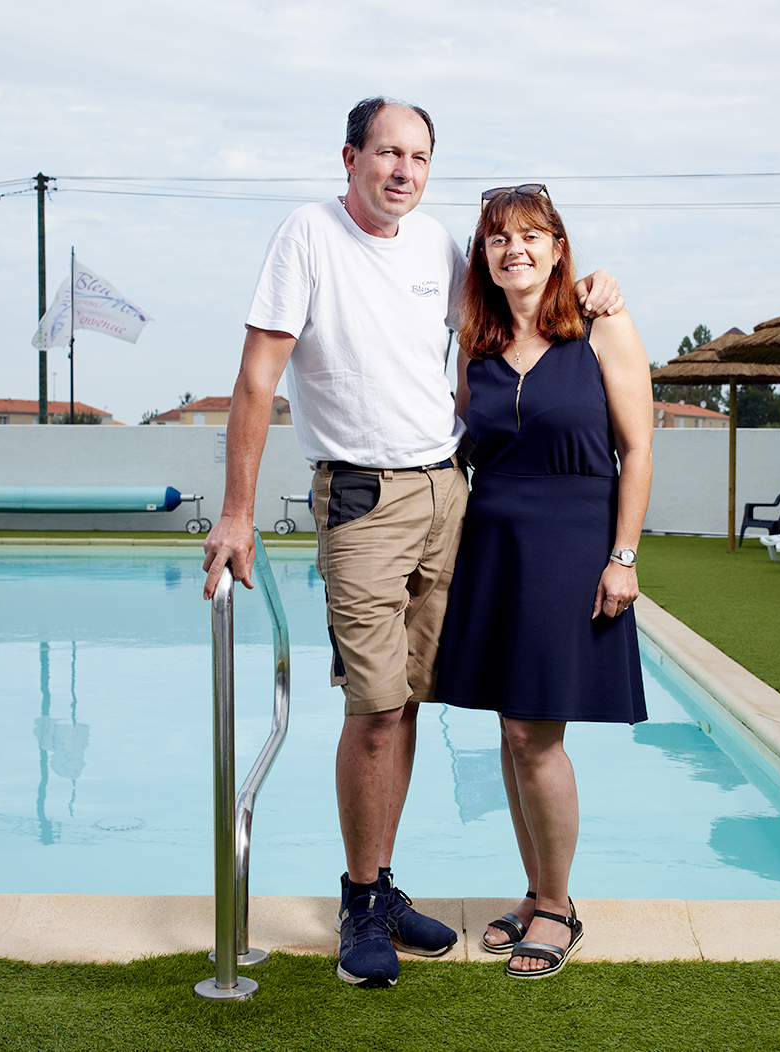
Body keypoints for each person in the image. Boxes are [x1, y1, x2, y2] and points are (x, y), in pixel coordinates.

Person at [200, 98, 622, 988]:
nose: (403, 169)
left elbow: (523, 297)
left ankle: (385, 886)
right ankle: (360, 900)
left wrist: (595, 288)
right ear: (349, 156)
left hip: (450, 493)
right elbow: (255, 379)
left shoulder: (440, 247)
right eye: (387, 152)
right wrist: (237, 511)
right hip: (360, 499)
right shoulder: (306, 237)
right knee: (376, 706)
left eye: (420, 156)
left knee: (415, 701)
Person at [434, 185, 653, 979]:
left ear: (559, 248)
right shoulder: (476, 344)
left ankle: (560, 907)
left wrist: (622, 558)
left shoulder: (602, 324)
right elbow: (461, 444)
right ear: (482, 257)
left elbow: (638, 448)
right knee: (509, 728)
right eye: (498, 238)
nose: (514, 249)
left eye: (531, 236)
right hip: (492, 548)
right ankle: (536, 892)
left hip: (572, 546)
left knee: (535, 733)